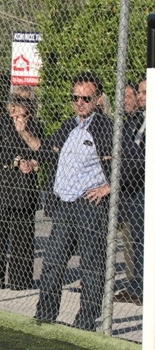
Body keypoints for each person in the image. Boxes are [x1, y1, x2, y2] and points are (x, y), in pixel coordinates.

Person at [33, 72, 113, 331]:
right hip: (65, 207)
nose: (80, 103)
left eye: (86, 98)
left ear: (97, 99)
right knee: (53, 263)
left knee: (91, 267)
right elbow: (48, 148)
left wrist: (108, 186)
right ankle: (45, 315)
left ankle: (86, 321)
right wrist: (33, 160)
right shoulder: (70, 125)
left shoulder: (105, 127)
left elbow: (134, 161)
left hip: (90, 207)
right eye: (76, 97)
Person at [0, 87, 43, 290]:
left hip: (25, 188)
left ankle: (20, 280)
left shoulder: (36, 126)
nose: (17, 106)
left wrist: (32, 162)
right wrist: (16, 161)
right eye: (15, 101)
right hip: (5, 185)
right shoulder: (0, 122)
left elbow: (41, 151)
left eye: (23, 102)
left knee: (23, 236)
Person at [116, 79, 146, 306]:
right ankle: (134, 285)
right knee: (132, 238)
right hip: (129, 191)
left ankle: (141, 288)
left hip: (143, 188)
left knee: (142, 238)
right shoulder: (131, 122)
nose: (127, 101)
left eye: (131, 96)